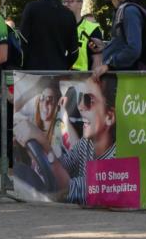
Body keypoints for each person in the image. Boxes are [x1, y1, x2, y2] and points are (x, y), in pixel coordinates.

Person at [13, 74, 117, 205]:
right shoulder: (87, 144)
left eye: (88, 100)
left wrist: (45, 145)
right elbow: (61, 167)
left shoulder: (116, 161)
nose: (80, 106)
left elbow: (67, 190)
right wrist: (33, 148)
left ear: (109, 117)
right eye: (80, 98)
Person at [91, 0, 144, 79]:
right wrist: (105, 46)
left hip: (127, 85)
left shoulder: (129, 11)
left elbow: (134, 49)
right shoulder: (122, 10)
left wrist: (109, 65)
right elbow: (124, 44)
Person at [18, 0, 78, 71]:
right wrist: (63, 66)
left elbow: (22, 41)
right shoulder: (69, 15)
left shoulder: (32, 8)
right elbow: (74, 52)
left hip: (33, 72)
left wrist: (23, 66)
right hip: (58, 73)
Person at [62, 0, 103, 72]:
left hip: (82, 78)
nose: (66, 4)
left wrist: (94, 79)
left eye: (70, 1)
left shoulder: (91, 28)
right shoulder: (56, 27)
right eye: (64, 2)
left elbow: (97, 58)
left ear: (80, 4)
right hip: (59, 76)